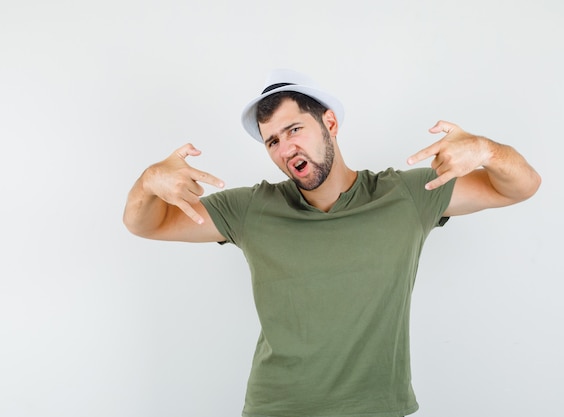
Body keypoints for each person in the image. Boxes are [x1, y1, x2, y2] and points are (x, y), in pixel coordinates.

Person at [123, 69, 541, 417]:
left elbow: (521, 187)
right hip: (276, 408)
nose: (286, 148)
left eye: (294, 129)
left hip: (377, 408)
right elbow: (146, 224)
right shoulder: (251, 209)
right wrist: (148, 182)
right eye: (272, 141)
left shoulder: (407, 196)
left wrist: (487, 150)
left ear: (330, 124)